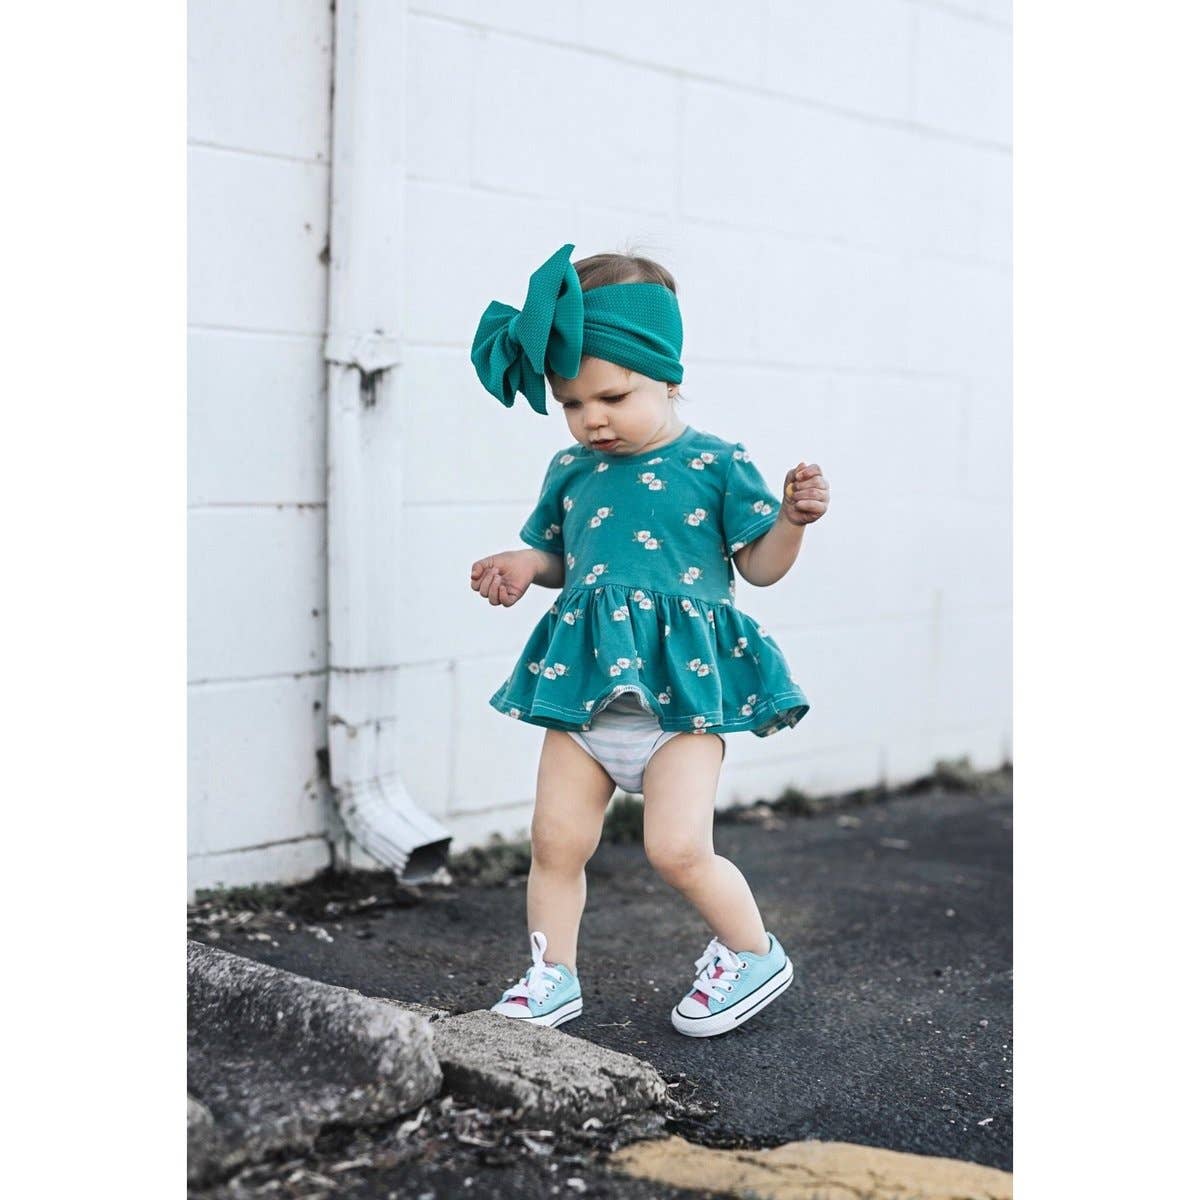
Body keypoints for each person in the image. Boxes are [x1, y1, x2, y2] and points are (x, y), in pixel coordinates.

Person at [467, 244, 830, 1038]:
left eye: (612, 395)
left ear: (666, 376)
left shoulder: (717, 464)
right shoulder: (572, 470)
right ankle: (551, 975)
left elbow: (759, 568)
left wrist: (791, 523)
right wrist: (525, 565)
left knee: (676, 849)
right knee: (555, 843)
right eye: (571, 402)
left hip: (680, 702)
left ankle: (753, 953)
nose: (591, 418)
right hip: (584, 694)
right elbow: (565, 560)